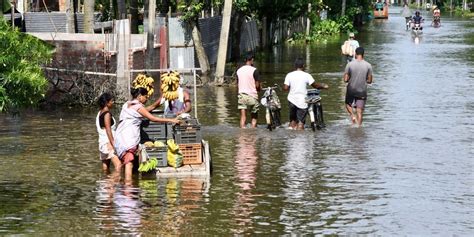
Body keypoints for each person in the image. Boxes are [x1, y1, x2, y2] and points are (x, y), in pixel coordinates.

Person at [114, 87, 180, 181]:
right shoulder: (138, 107)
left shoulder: (127, 104)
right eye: (146, 96)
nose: (147, 98)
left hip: (120, 137)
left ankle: (121, 182)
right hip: (128, 137)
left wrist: (159, 101)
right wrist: (171, 120)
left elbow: (149, 108)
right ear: (140, 96)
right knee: (129, 163)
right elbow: (153, 119)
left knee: (124, 161)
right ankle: (128, 187)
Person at [283, 58, 328, 130]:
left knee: (292, 120)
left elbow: (285, 88)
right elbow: (315, 86)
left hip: (291, 100)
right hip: (302, 101)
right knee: (301, 122)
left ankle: (291, 138)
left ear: (295, 66)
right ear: (303, 66)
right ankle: (301, 140)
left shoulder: (289, 75)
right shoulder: (306, 75)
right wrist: (323, 86)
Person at [343, 47, 373, 127]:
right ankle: (359, 128)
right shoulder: (368, 65)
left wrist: (350, 78)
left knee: (348, 104)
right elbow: (369, 81)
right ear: (363, 55)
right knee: (359, 111)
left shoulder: (349, 64)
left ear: (355, 54)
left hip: (351, 90)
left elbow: (345, 79)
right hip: (362, 91)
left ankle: (352, 116)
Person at [96, 92, 121, 172]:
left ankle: (105, 183)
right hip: (108, 143)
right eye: (112, 101)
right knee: (119, 166)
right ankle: (112, 181)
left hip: (102, 142)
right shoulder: (107, 114)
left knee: (105, 168)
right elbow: (108, 130)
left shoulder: (100, 113)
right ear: (107, 103)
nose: (113, 102)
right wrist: (113, 144)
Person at [236, 53, 261, 128]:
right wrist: (259, 89)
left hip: (242, 95)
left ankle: (242, 133)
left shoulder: (239, 70)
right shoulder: (254, 70)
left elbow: (238, 84)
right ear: (252, 60)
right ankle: (253, 133)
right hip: (252, 96)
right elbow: (257, 86)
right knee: (254, 118)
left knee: (243, 117)